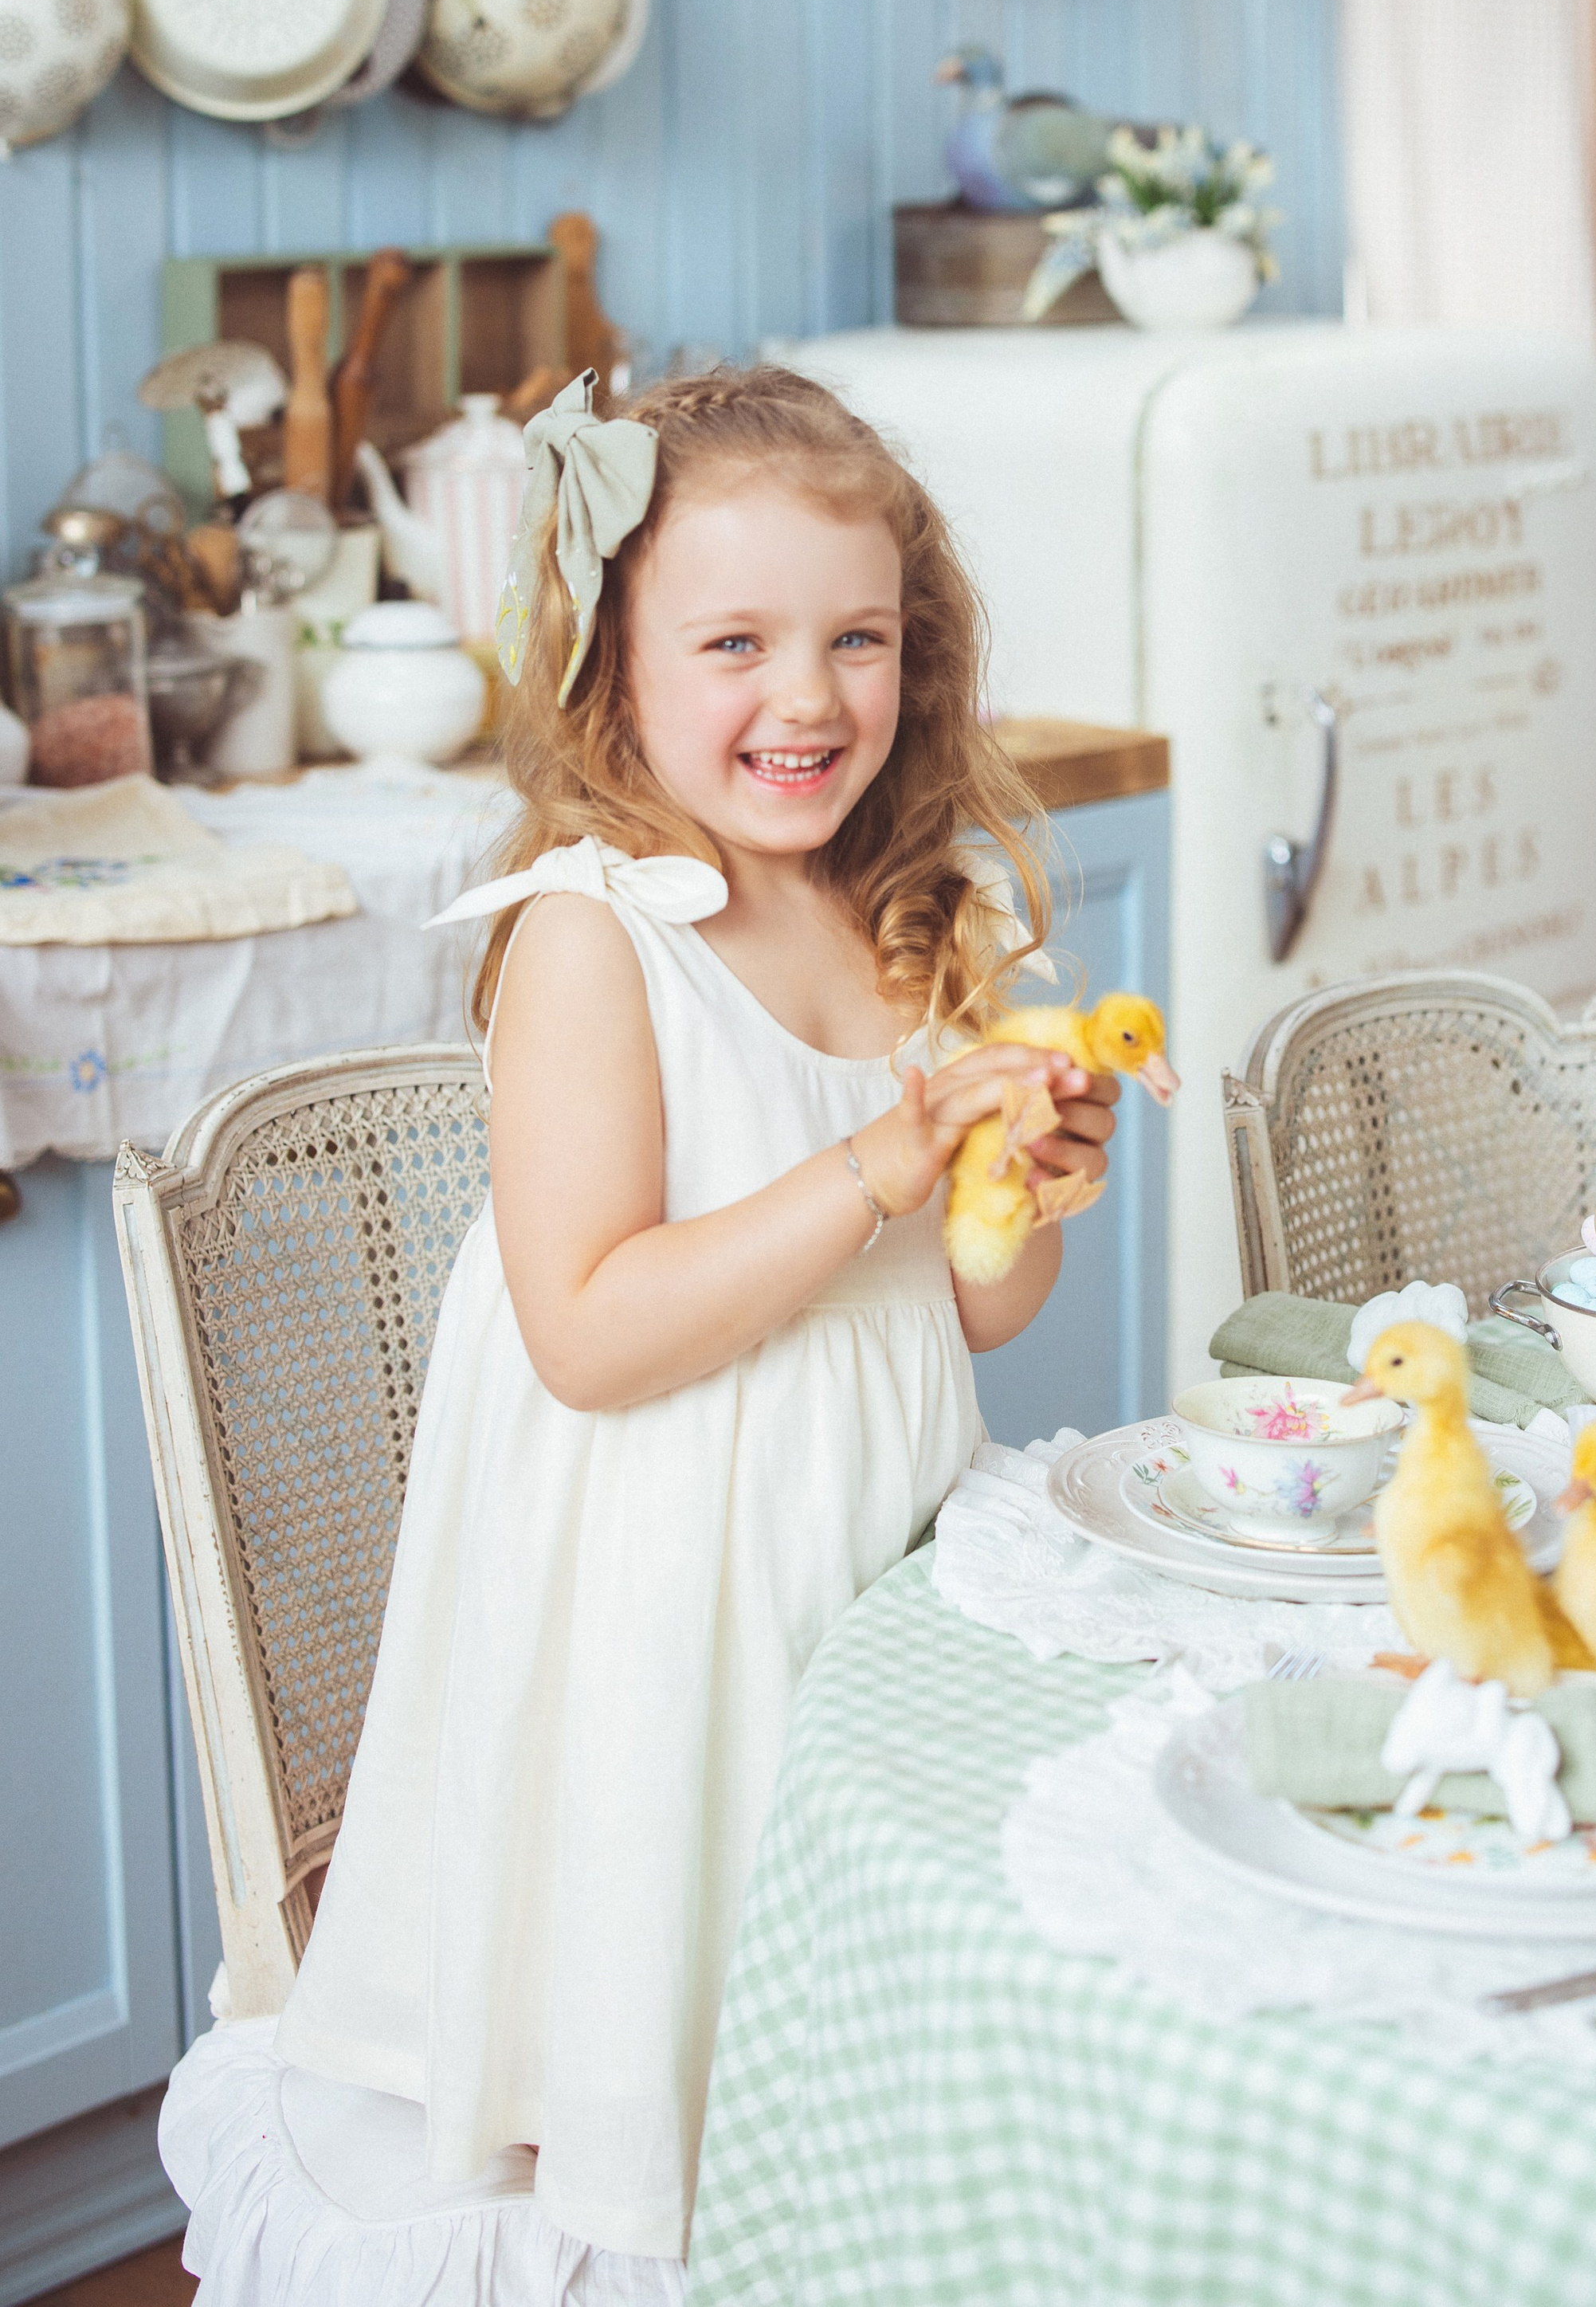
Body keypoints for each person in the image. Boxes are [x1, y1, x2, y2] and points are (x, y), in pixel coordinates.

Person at [267, 366, 1122, 2265]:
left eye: (857, 640)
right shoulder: (595, 931)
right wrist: (880, 1170)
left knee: (841, 1983)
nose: (805, 697)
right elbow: (587, 1325)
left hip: (868, 1559)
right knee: (686, 2002)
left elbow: (985, 1309)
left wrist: (1021, 1175)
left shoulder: (916, 914)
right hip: (667, 1590)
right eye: (733, 640)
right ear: (614, 661)